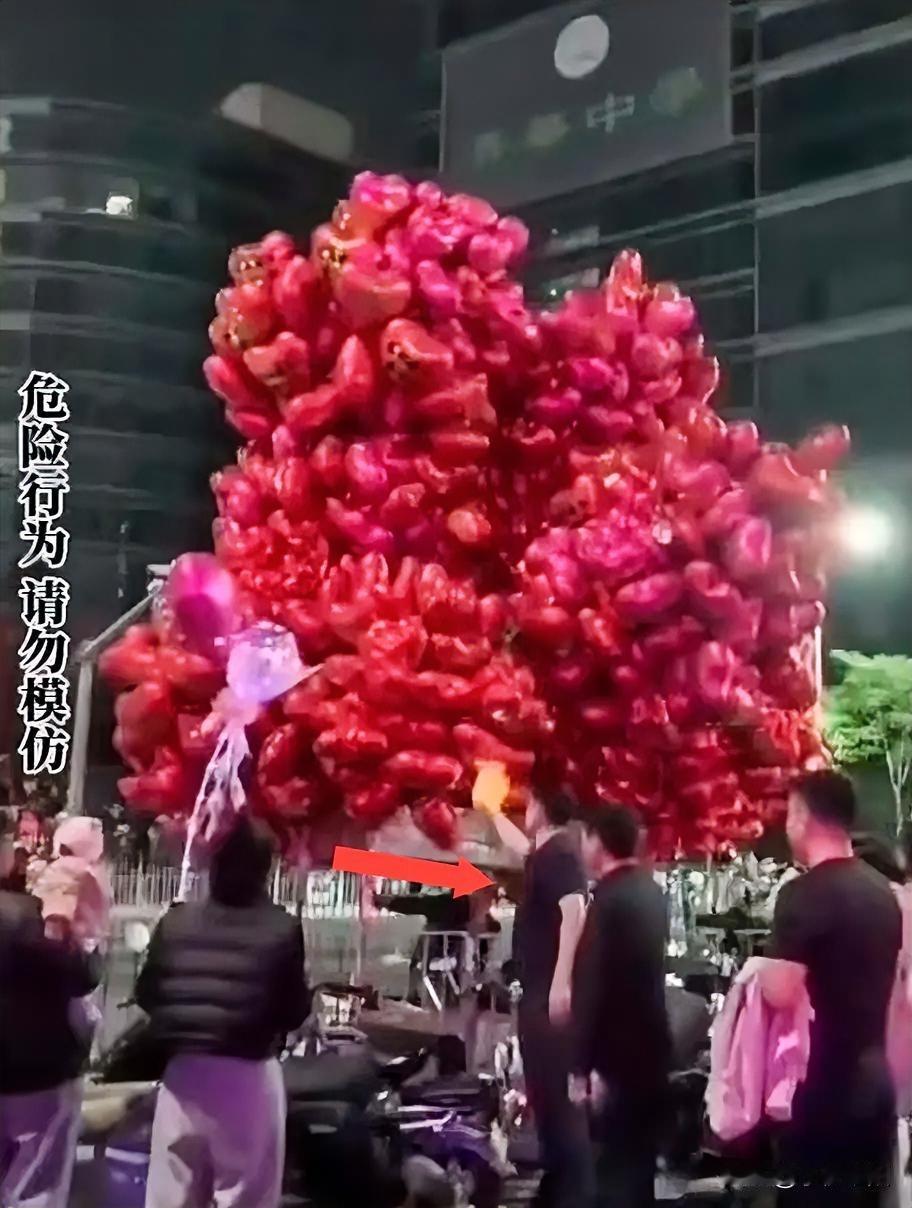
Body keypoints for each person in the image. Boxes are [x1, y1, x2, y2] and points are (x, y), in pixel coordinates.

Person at [741, 770, 902, 1207]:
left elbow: (780, 989)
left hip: (821, 1093)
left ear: (802, 816)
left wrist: (756, 970)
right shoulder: (882, 892)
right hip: (874, 1087)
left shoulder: (803, 894)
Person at [137, 815, 310, 1208]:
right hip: (248, 1075)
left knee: (172, 1196)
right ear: (265, 869)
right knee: (245, 1195)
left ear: (215, 864)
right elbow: (292, 1010)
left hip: (182, 1076)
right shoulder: (281, 927)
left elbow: (147, 993)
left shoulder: (176, 920)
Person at [482, 774, 591, 1208]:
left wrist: (562, 980)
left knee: (556, 1098)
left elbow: (574, 909)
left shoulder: (560, 853)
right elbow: (522, 848)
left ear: (542, 808)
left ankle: (573, 1191)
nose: (524, 812)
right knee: (544, 1093)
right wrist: (491, 811)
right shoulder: (546, 853)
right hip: (539, 990)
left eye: (528, 804)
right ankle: (559, 1185)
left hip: (548, 993)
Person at [571, 805, 670, 1208]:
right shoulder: (652, 893)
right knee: (640, 1168)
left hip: (615, 1057)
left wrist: (581, 1067)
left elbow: (592, 986)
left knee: (613, 1171)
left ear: (599, 842)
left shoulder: (606, 901)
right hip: (654, 1050)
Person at [0, 822, 101, 1208]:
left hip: (29, 1069)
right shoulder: (28, 915)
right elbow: (81, 975)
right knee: (36, 1191)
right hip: (36, 1074)